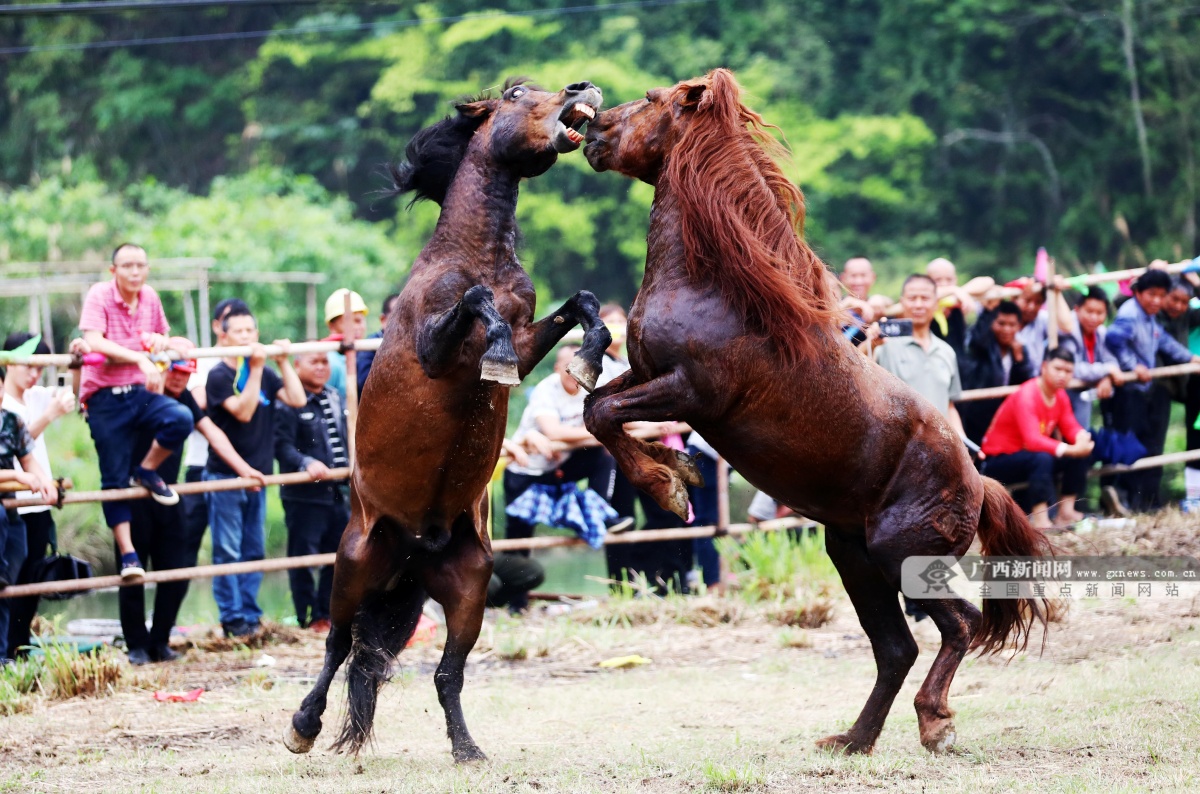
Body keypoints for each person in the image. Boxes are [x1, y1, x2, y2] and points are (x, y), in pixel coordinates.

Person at [120, 339, 267, 664]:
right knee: (134, 569)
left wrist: (245, 470)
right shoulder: (143, 393)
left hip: (169, 491)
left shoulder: (184, 397)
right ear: (162, 367)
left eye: (186, 374)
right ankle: (137, 645)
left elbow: (212, 432)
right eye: (175, 371)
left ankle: (160, 640)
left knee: (176, 567)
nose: (179, 379)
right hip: (132, 491)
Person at [78, 243, 195, 579]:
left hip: (140, 393)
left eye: (140, 265)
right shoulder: (100, 294)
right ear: (113, 270)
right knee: (113, 478)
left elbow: (163, 337)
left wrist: (161, 343)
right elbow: (94, 340)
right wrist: (139, 357)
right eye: (127, 266)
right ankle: (129, 555)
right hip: (104, 396)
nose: (134, 272)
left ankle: (147, 469)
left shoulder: (151, 297)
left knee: (180, 417)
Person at [204, 307, 305, 637]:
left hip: (258, 477)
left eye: (251, 331)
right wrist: (258, 367)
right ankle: (232, 619)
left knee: (253, 550)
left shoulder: (262, 371)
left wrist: (283, 362)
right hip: (226, 476)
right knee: (228, 550)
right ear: (225, 336)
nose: (247, 337)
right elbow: (244, 412)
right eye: (240, 332)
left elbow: (297, 398)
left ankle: (250, 614)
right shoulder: (219, 375)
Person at [2, 332, 75, 659]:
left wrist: (76, 357)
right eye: (29, 365)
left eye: (39, 367)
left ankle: (15, 650)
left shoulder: (34, 398)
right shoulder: (9, 407)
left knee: (26, 580)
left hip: (33, 502)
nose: (34, 374)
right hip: (14, 500)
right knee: (9, 581)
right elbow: (18, 446)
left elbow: (75, 389)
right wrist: (49, 416)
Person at [1105, 268, 1200, 511]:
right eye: (1152, 294)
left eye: (1161, 295)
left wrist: (1189, 358)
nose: (1157, 300)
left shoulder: (1149, 316)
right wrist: (1131, 365)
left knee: (1150, 443)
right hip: (1130, 389)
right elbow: (1113, 340)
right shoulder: (1129, 313)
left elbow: (1164, 342)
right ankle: (1127, 500)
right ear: (1138, 292)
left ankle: (1147, 503)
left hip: (1146, 388)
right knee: (1131, 443)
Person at [178, 298, 250, 591]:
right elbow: (197, 405)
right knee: (186, 545)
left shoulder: (252, 365)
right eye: (231, 323)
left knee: (243, 547)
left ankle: (241, 618)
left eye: (246, 326)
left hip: (244, 466)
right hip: (201, 464)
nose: (239, 332)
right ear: (219, 327)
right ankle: (169, 622)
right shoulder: (205, 361)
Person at [274, 351, 349, 632]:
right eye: (313, 362)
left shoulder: (335, 396)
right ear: (297, 365)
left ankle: (327, 615)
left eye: (324, 362)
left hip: (337, 491)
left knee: (338, 555)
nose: (320, 367)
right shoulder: (288, 400)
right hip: (303, 495)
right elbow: (281, 445)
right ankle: (306, 618)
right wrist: (306, 462)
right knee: (304, 558)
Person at [980, 347, 1095, 529]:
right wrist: (1071, 448)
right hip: (997, 460)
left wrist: (1082, 438)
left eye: (1068, 371)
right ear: (1044, 367)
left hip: (1027, 457)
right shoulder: (1028, 394)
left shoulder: (1060, 395)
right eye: (1058, 369)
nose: (1062, 375)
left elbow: (1070, 425)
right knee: (1041, 457)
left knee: (1078, 455)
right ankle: (1041, 520)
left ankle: (1067, 512)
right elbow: (1033, 441)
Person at [868, 274, 969, 441]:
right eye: (912, 298)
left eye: (925, 298)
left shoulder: (946, 351)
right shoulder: (884, 344)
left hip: (939, 448)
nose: (918, 304)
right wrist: (871, 343)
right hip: (898, 448)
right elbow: (860, 365)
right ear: (902, 302)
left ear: (936, 303)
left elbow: (949, 405)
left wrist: (963, 444)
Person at [0, 403, 56, 663]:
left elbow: (29, 459)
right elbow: (20, 470)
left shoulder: (12, 421)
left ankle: (5, 655)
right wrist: (16, 476)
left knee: (6, 581)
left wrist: (44, 481)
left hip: (10, 515)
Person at [960, 301, 1035, 445]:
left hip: (1005, 415)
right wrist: (987, 311)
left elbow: (1026, 383)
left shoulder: (1019, 349)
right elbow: (977, 339)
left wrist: (1020, 360)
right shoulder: (984, 347)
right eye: (1001, 323)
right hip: (978, 414)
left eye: (1012, 325)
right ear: (991, 324)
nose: (1006, 329)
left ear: (1019, 326)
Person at [1157, 276, 1200, 509]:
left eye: (1184, 301)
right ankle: (1194, 498)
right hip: (1183, 381)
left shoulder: (1187, 312)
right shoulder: (1155, 314)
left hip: (1186, 377)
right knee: (1196, 439)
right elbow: (1121, 300)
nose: (1178, 305)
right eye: (1173, 298)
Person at [1060, 287, 1122, 428]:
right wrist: (1107, 370)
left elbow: (1111, 359)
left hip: (1081, 397)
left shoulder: (1100, 332)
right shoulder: (1068, 330)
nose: (1094, 317)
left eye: (1099, 313)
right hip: (1063, 394)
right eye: (1089, 311)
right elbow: (1073, 369)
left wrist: (1107, 377)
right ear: (1077, 309)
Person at [924, 258, 993, 359]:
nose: (944, 284)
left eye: (949, 279)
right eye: (937, 280)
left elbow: (988, 281)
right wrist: (953, 290)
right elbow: (930, 294)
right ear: (927, 281)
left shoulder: (958, 298)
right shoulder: (922, 303)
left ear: (955, 279)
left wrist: (959, 292)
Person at [323, 288, 368, 401]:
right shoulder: (329, 361)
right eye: (349, 321)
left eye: (359, 321)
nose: (356, 327)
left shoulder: (365, 356)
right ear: (332, 326)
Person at [356, 292, 399, 392]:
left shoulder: (415, 347)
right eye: (398, 315)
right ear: (383, 320)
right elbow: (365, 383)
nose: (404, 321)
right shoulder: (369, 346)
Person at [839, 257, 877, 345]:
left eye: (863, 275)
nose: (858, 281)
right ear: (843, 278)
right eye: (853, 276)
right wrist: (849, 303)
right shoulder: (834, 306)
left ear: (873, 277)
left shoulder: (878, 306)